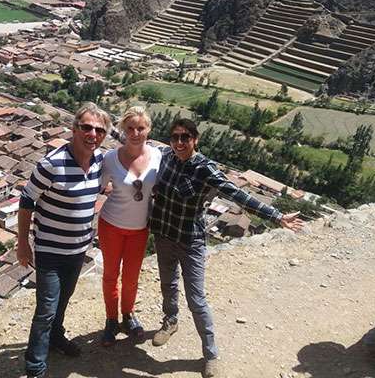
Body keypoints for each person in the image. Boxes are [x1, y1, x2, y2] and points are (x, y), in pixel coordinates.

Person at [149, 118, 304, 378]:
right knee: (168, 285)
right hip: (163, 236)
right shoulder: (165, 157)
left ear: (195, 139)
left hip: (190, 241)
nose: (178, 142)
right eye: (174, 137)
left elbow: (238, 195)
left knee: (197, 300)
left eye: (184, 137)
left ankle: (210, 353)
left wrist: (277, 216)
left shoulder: (205, 169)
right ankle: (170, 321)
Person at [17, 102, 111, 378]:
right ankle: (35, 367)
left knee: (63, 300)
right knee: (46, 309)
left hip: (78, 249)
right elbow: (26, 200)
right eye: (86, 127)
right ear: (74, 129)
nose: (92, 134)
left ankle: (56, 339)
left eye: (99, 130)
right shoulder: (51, 164)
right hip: (49, 250)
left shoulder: (99, 163)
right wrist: (23, 244)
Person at [98, 106, 162, 346]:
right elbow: (97, 186)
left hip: (139, 228)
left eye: (141, 128)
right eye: (130, 128)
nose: (135, 133)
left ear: (149, 129)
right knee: (110, 275)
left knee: (132, 277)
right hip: (111, 224)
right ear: (123, 129)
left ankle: (128, 315)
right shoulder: (110, 158)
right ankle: (111, 320)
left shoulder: (157, 156)